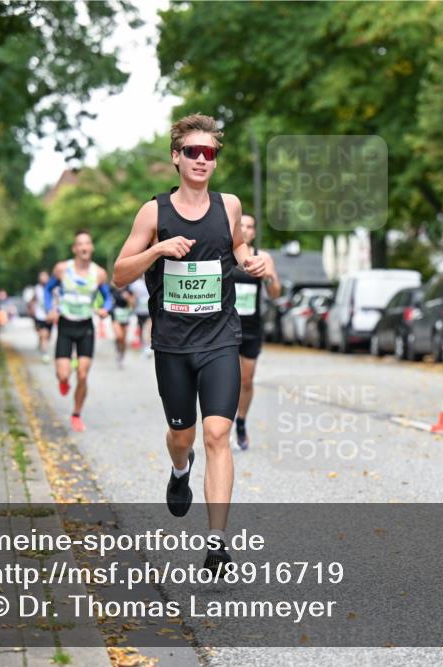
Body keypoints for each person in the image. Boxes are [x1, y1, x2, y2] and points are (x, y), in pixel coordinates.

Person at [113, 113, 267, 572]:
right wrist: (158, 249)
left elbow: (238, 253)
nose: (202, 160)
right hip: (173, 343)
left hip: (220, 337)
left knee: (218, 432)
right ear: (176, 157)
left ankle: (217, 541)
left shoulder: (230, 206)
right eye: (193, 152)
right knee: (183, 435)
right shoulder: (154, 212)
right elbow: (119, 274)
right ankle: (180, 470)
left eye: (210, 153)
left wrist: (251, 264)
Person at [43, 229, 113, 433]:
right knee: (63, 375)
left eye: (87, 243)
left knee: (82, 375)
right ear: (75, 249)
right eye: (80, 244)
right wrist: (50, 309)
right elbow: (48, 290)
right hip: (65, 325)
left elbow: (107, 298)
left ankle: (76, 414)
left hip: (85, 327)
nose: (84, 247)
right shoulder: (62, 269)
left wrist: (104, 309)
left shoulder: (99, 273)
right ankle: (64, 380)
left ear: (91, 247)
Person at [231, 214, 281, 450]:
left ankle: (241, 421)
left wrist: (269, 278)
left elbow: (275, 293)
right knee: (223, 378)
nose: (246, 229)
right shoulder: (225, 254)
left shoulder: (263, 257)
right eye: (241, 225)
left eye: (250, 226)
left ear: (254, 232)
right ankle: (221, 423)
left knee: (246, 380)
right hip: (224, 326)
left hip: (251, 326)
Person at [29, 271, 54, 363]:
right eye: (42, 276)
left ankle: (41, 345)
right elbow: (32, 301)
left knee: (48, 336)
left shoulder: (52, 288)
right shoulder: (37, 289)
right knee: (44, 335)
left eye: (45, 276)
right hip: (40, 316)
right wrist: (32, 313)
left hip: (50, 315)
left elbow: (56, 300)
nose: (43, 278)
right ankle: (45, 354)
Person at [110, 284, 134, 369]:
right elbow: (107, 301)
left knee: (123, 339)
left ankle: (122, 355)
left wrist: (128, 298)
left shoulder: (129, 289)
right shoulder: (112, 290)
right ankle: (117, 349)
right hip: (115, 316)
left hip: (125, 315)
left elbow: (133, 304)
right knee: (119, 336)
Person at [128, 275, 151, 356]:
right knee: (141, 329)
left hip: (149, 311)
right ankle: (143, 346)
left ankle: (147, 346)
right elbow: (132, 297)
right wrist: (132, 305)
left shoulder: (152, 281)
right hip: (139, 311)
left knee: (148, 328)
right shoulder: (136, 284)